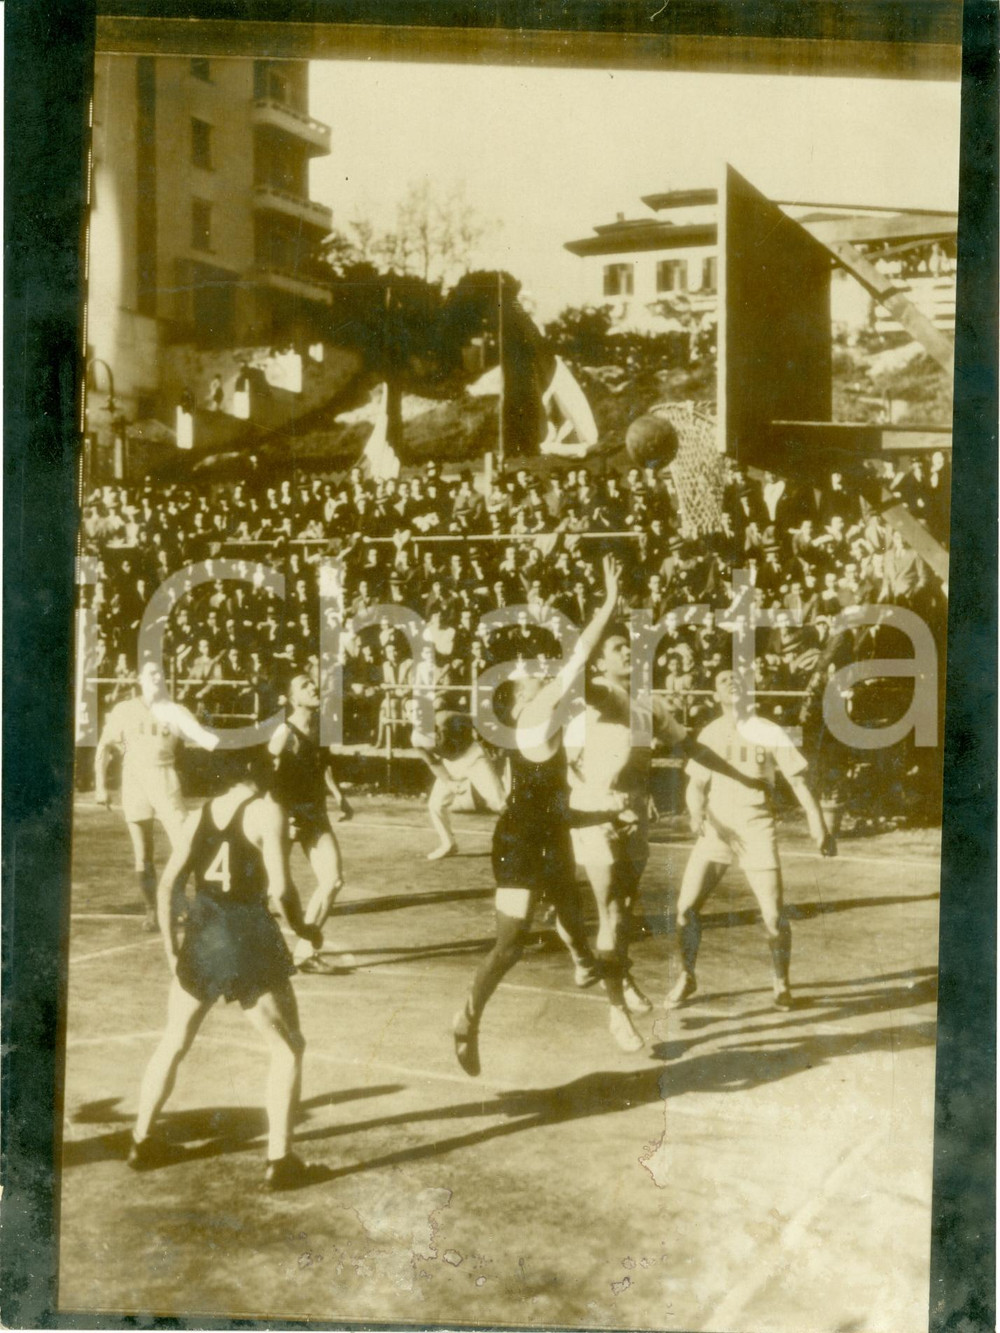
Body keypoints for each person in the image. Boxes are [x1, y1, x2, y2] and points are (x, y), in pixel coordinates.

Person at [452, 555, 628, 1077]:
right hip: (522, 840)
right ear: (519, 703)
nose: (536, 676)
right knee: (511, 943)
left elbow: (557, 807)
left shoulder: (537, 724)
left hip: (547, 831)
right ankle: (466, 1019)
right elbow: (576, 660)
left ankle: (590, 970)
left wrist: (600, 813)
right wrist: (609, 604)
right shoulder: (532, 719)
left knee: (575, 919)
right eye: (529, 680)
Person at [126, 751, 321, 1190]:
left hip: (204, 929)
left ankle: (141, 1139)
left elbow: (169, 883)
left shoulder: (201, 814)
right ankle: (280, 1159)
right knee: (288, 1049)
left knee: (174, 1040)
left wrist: (169, 947)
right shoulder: (267, 811)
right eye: (270, 762)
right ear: (257, 769)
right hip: (246, 931)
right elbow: (284, 888)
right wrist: (305, 927)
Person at [664, 670, 836, 1012]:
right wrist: (696, 812)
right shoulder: (709, 733)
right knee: (685, 909)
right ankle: (686, 976)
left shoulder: (768, 731)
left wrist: (818, 824)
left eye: (737, 679)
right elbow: (696, 786)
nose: (731, 682)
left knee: (773, 916)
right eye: (723, 680)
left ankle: (781, 984)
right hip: (717, 829)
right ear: (715, 695)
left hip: (757, 828)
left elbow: (799, 782)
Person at [564, 630, 690, 1052]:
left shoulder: (648, 703)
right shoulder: (601, 693)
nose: (628, 652)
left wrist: (739, 771)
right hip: (595, 812)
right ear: (601, 662)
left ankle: (620, 971)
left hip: (635, 814)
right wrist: (602, 618)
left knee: (624, 907)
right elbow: (581, 683)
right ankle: (615, 1009)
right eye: (618, 648)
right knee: (612, 910)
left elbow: (686, 742)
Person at [95, 660, 220, 930]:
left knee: (185, 844)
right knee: (143, 852)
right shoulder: (124, 710)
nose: (156, 677)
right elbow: (104, 747)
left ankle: (177, 899)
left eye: (161, 674)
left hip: (165, 777)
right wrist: (100, 785)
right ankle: (152, 910)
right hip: (134, 779)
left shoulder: (175, 711)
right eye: (151, 673)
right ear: (138, 678)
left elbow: (208, 741)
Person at [268, 674, 353, 971]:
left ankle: (304, 952)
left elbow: (324, 765)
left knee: (333, 880)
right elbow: (266, 776)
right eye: (304, 685)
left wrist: (339, 795)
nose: (313, 687)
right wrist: (283, 818)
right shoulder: (284, 733)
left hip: (315, 814)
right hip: (284, 815)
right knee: (265, 888)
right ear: (293, 698)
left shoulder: (321, 728)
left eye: (312, 683)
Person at [412, 708, 506, 860]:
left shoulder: (447, 717)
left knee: (499, 802)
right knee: (435, 805)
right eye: (410, 712)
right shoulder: (416, 739)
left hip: (474, 757)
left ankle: (522, 841)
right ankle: (449, 844)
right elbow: (434, 763)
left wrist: (489, 743)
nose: (415, 716)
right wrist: (449, 781)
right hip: (451, 764)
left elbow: (479, 721)